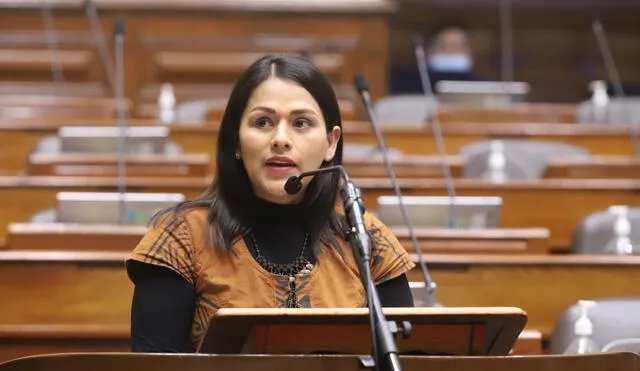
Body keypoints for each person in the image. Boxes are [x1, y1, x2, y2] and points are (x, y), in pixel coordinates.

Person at [126, 54, 416, 353]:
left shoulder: (368, 241)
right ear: (236, 141)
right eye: (262, 122)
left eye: (301, 123)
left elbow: (408, 358)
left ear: (331, 143)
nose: (281, 139)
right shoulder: (181, 239)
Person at [389, 23, 479, 94]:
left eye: (460, 47)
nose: (453, 53)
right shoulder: (403, 84)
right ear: (427, 54)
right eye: (446, 47)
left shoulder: (481, 86)